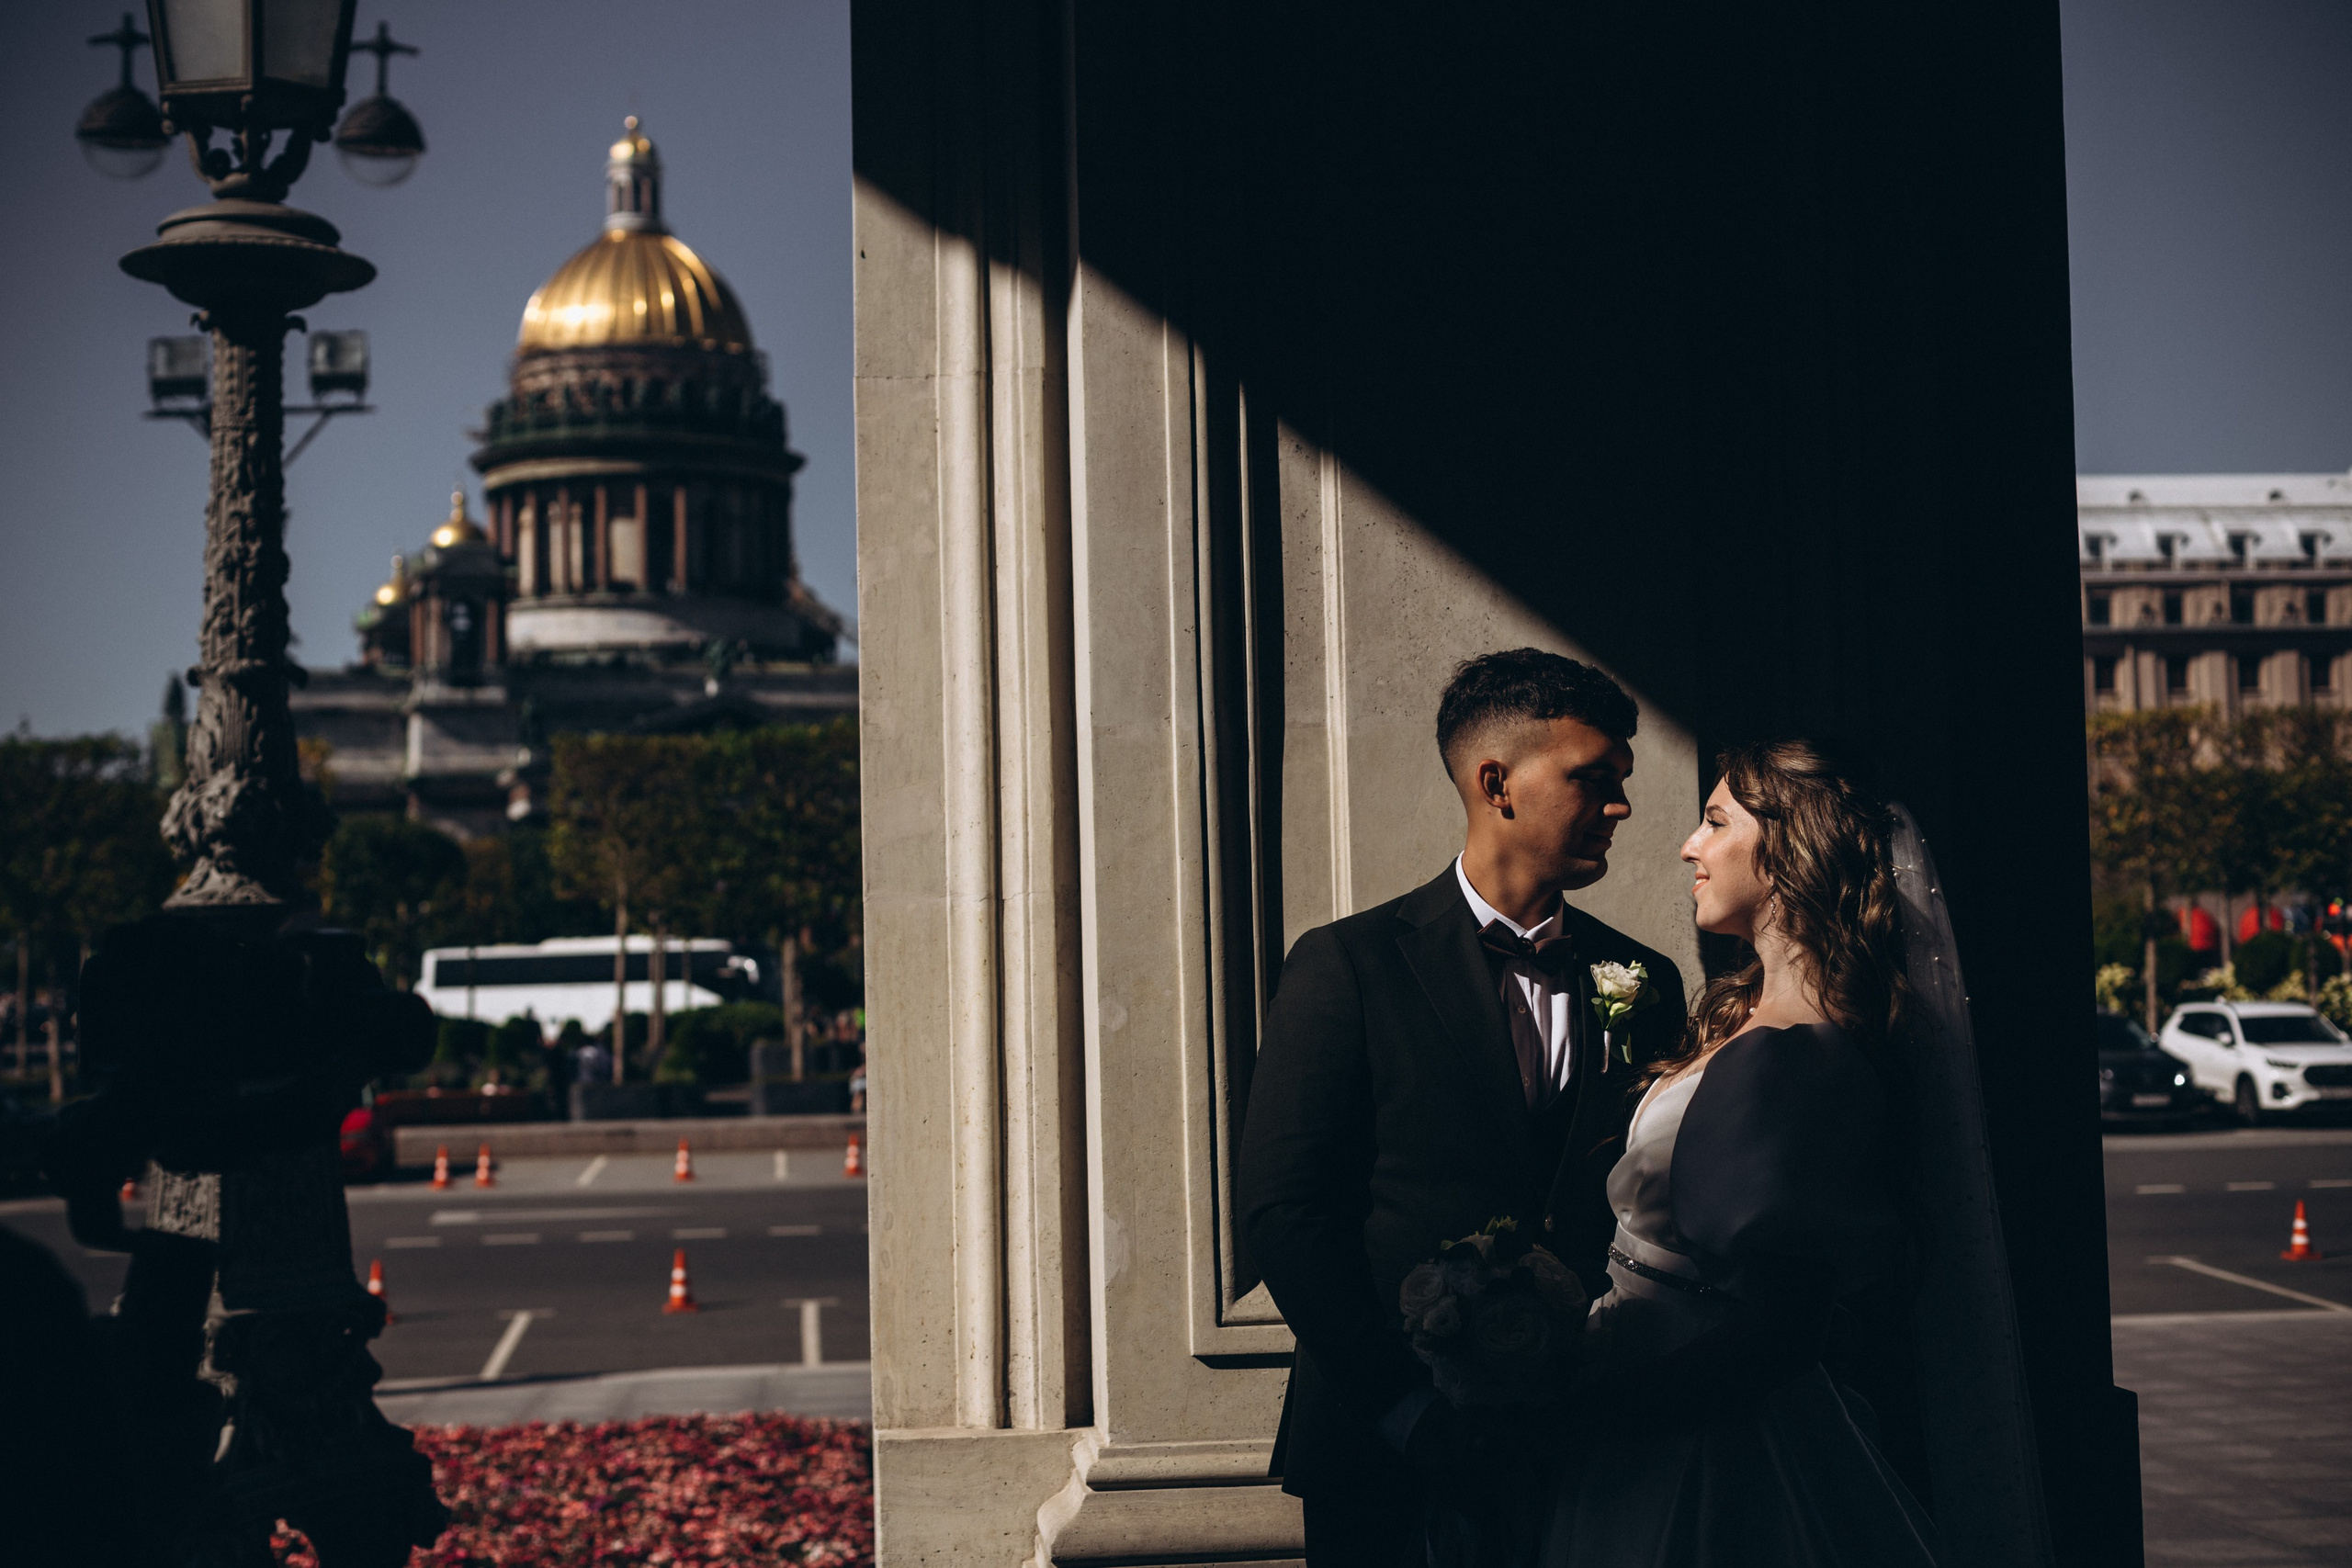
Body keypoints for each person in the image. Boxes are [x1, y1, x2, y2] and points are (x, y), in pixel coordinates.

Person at [1239, 649, 1689, 1568]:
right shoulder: (1347, 965)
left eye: (1622, 782)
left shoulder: (1639, 980)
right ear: (1497, 783)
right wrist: (1409, 1412)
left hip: (1586, 1445)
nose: (1621, 807)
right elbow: (1285, 1214)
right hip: (1384, 1449)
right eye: (1592, 779)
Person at [1536, 739, 1939, 1565]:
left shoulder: (1800, 1058)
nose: (1689, 843)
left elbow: (1781, 1329)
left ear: (1789, 850)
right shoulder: (1740, 1018)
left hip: (1703, 1444)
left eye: (1715, 821)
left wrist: (1590, 1410)